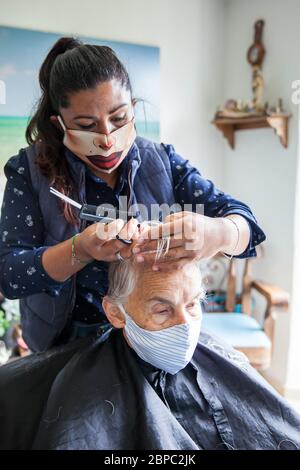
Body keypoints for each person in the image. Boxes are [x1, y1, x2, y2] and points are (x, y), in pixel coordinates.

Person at [0, 36, 266, 353]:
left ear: (134, 109)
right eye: (87, 125)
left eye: (118, 118)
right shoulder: (30, 173)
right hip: (67, 348)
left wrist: (217, 233)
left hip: (157, 340)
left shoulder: (164, 162)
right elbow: (10, 275)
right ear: (60, 125)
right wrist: (81, 249)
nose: (108, 140)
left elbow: (248, 227)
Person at [0, 257, 299, 450]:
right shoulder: (85, 386)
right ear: (116, 313)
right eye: (162, 309)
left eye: (193, 304)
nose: (185, 325)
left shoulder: (222, 356)